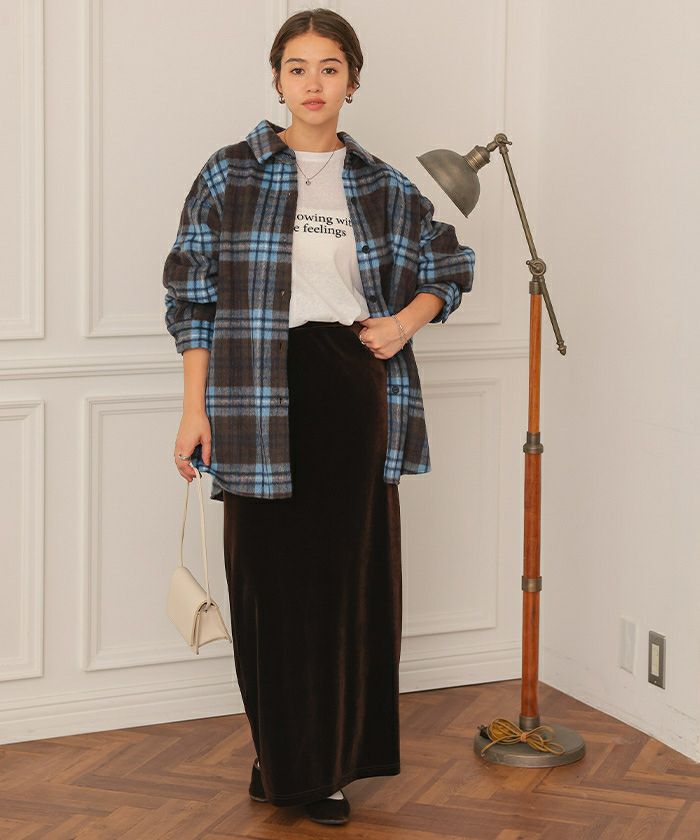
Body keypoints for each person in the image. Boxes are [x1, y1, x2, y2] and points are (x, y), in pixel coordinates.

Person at [162, 7, 475, 827]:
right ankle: (282, 756)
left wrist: (402, 324)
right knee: (266, 586)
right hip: (251, 392)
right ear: (276, 79)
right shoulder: (230, 173)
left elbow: (450, 263)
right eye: (297, 67)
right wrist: (193, 411)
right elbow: (191, 297)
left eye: (329, 68)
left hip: (348, 386)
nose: (313, 83)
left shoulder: (381, 184)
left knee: (344, 584)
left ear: (352, 81)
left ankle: (327, 765)